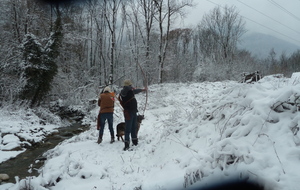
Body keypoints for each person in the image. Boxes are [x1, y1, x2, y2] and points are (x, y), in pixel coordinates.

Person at [118, 79, 147, 151]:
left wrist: (142, 90)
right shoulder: (126, 90)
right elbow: (134, 90)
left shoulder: (127, 91)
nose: (131, 86)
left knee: (133, 127)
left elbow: (134, 91)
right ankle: (128, 144)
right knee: (129, 129)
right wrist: (142, 90)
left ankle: (134, 142)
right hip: (129, 112)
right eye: (130, 85)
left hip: (132, 112)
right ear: (128, 85)